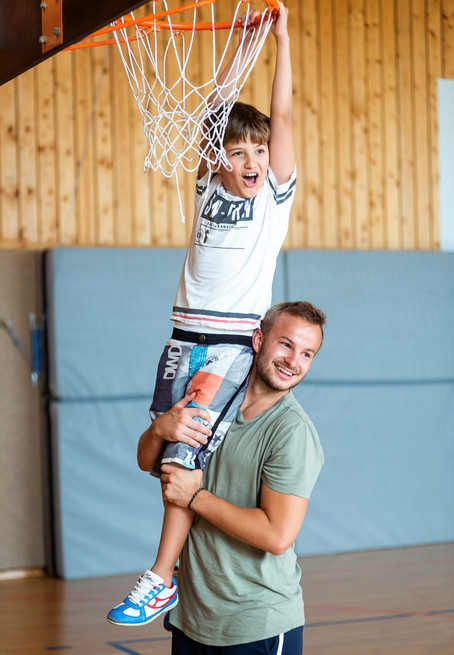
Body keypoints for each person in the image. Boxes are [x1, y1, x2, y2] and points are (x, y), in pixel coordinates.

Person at [107, 1, 295, 628]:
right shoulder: (208, 182)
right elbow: (212, 108)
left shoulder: (272, 198)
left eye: (260, 151)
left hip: (227, 343)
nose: (250, 162)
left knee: (183, 456)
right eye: (239, 151)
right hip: (182, 334)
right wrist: (237, 41)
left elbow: (284, 114)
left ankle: (161, 577)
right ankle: (176, 565)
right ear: (218, 157)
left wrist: (279, 38)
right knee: (163, 456)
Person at [138, 301, 326, 654]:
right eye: (285, 344)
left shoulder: (291, 432)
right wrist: (159, 430)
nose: (293, 361)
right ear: (258, 340)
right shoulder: (214, 399)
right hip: (192, 616)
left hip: (256, 622)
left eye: (307, 354)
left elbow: (277, 535)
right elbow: (149, 462)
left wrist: (196, 498)